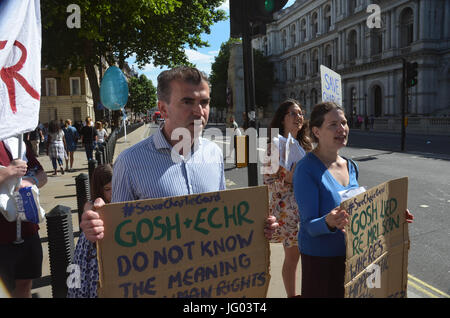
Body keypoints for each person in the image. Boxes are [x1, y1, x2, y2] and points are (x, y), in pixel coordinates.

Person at [80, 67, 278, 275]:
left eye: (204, 102)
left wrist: (256, 227)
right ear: (163, 109)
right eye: (187, 102)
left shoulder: (214, 153)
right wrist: (95, 227)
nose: (199, 111)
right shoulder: (129, 162)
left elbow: (221, 218)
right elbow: (117, 236)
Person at [293, 102, 414, 298]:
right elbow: (308, 226)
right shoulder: (306, 169)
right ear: (316, 131)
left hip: (354, 258)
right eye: (333, 124)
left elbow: (360, 209)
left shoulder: (352, 166)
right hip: (322, 263)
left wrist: (391, 216)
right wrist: (328, 222)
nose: (342, 129)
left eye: (344, 122)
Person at [263, 99, 312, 298]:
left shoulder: (303, 146)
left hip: (307, 207)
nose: (298, 117)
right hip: (288, 211)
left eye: (300, 113)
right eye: (293, 113)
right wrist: (289, 179)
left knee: (307, 255)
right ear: (282, 119)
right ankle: (292, 295)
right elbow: (268, 182)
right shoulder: (274, 145)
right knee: (293, 256)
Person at [0, 137, 47, 297]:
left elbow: (42, 175)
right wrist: (8, 171)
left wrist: (31, 181)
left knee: (25, 285)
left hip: (26, 229)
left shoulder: (17, 140)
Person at [67, 164, 112, 298]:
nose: (112, 192)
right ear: (99, 189)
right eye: (107, 189)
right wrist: (94, 209)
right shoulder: (94, 204)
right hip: (92, 258)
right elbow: (90, 206)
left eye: (116, 186)